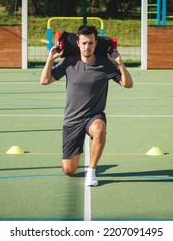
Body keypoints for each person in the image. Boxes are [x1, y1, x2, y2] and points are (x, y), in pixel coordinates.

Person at [40, 25, 133, 186]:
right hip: (72, 120)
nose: (87, 47)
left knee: (99, 128)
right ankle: (80, 161)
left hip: (93, 117)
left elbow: (128, 84)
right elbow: (45, 81)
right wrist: (50, 59)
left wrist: (119, 63)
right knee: (69, 170)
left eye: (90, 43)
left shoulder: (105, 65)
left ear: (96, 43)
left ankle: (92, 171)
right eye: (83, 43)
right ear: (78, 43)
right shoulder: (69, 63)